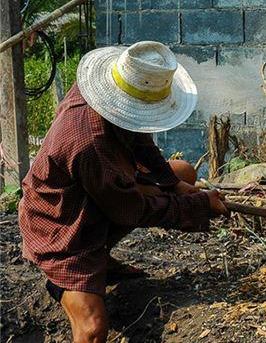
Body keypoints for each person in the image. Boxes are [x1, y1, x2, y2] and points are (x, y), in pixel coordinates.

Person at [18, 41, 229, 343]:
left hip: (93, 195)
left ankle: (100, 260)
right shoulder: (90, 144)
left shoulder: (107, 92)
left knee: (184, 172)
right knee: (92, 329)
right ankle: (65, 281)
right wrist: (198, 205)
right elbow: (133, 209)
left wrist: (173, 183)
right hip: (60, 227)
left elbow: (138, 135)